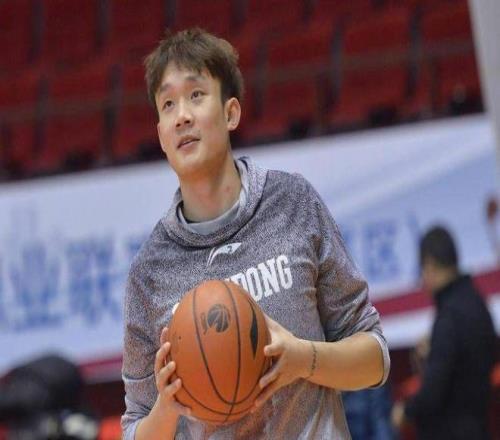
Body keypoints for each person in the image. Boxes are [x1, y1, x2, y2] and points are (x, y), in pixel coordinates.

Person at [121, 28, 390, 440]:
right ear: (161, 135)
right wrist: (166, 409)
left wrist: (304, 359)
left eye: (196, 95)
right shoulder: (149, 273)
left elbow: (375, 359)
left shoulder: (292, 202)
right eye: (168, 103)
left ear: (231, 113)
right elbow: (134, 427)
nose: (182, 116)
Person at [392, 226, 497, 440]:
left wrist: (406, 411)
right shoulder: (478, 303)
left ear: (429, 264)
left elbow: (434, 389)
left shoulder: (449, 317)